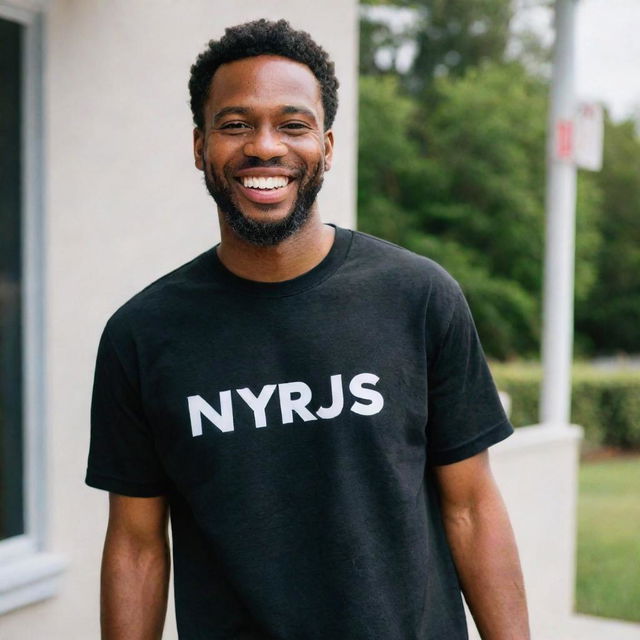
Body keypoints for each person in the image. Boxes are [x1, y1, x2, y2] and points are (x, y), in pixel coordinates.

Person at [86, 18, 530, 640]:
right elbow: (136, 546)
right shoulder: (142, 335)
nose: (264, 147)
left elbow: (472, 507)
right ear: (198, 146)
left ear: (325, 145)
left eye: (292, 125)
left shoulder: (418, 296)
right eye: (235, 124)